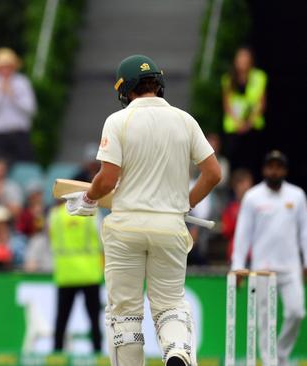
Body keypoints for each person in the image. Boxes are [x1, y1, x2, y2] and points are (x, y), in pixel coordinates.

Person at [61, 55, 221, 365]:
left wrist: (88, 199)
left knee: (125, 314)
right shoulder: (185, 120)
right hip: (170, 228)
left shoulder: (119, 121)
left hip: (126, 228)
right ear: (158, 84)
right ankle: (178, 351)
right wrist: (185, 204)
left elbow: (107, 179)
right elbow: (213, 173)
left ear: (125, 89)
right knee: (171, 305)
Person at [231, 151, 306, 365]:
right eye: (271, 167)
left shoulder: (297, 195)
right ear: (264, 169)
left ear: (285, 170)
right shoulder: (253, 197)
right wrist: (238, 266)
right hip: (261, 268)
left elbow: (304, 232)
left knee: (297, 312)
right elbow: (242, 234)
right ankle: (269, 360)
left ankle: (280, 353)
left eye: (279, 167)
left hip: (291, 267)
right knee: (263, 320)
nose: (275, 171)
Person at [48, 201, 103, 354]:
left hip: (66, 274)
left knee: (61, 320)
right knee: (94, 320)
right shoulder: (93, 213)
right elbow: (102, 240)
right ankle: (97, 354)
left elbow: (51, 241)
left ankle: (56, 356)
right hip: (89, 274)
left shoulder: (55, 215)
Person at [0, 47, 36, 162]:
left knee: (24, 165)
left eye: (7, 66)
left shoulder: (22, 81)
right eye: (1, 67)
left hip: (20, 133)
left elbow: (31, 108)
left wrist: (13, 96)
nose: (5, 70)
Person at [222, 46, 267, 175]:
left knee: (252, 161)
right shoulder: (228, 78)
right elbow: (227, 104)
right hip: (233, 128)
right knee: (234, 161)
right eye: (240, 57)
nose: (242, 60)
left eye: (245, 57)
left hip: (253, 127)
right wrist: (238, 123)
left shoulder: (259, 77)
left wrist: (248, 123)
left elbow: (261, 103)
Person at [221, 168, 253, 261]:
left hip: (255, 255)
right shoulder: (230, 208)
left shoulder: (257, 208)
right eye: (241, 184)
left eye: (248, 184)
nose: (245, 187)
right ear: (235, 187)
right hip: (235, 254)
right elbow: (226, 231)